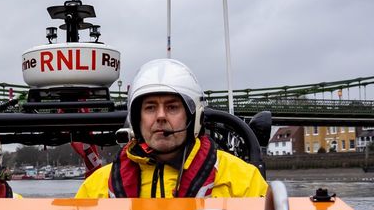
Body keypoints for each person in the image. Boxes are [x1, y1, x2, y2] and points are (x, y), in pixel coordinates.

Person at [75, 58, 268, 198]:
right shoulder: (96, 188)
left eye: (172, 107)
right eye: (150, 108)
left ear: (194, 117)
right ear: (136, 119)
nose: (160, 116)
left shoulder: (243, 181)